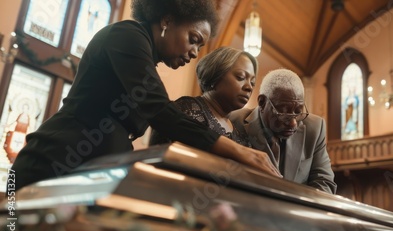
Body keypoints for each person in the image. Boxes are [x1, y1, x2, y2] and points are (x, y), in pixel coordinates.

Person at [9, 0, 280, 190]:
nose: (195, 52)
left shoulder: (146, 59)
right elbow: (160, 111)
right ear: (167, 20)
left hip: (90, 173)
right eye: (193, 38)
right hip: (51, 163)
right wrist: (238, 151)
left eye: (200, 45)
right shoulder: (126, 36)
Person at [230, 69, 337, 194]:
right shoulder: (234, 122)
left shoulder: (315, 128)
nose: (293, 123)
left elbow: (324, 183)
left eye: (298, 111)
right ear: (262, 102)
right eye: (283, 112)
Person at [149, 46, 256, 147]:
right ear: (215, 76)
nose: (249, 87)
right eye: (241, 77)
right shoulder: (187, 110)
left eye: (252, 82)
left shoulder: (240, 134)